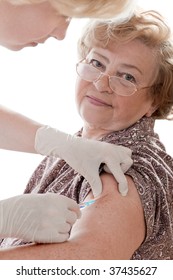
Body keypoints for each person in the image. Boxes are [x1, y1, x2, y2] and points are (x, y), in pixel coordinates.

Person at [0, 9, 173, 260]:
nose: (102, 84)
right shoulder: (77, 148)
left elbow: (89, 258)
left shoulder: (126, 166)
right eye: (97, 63)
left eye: (127, 77)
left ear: (154, 102)